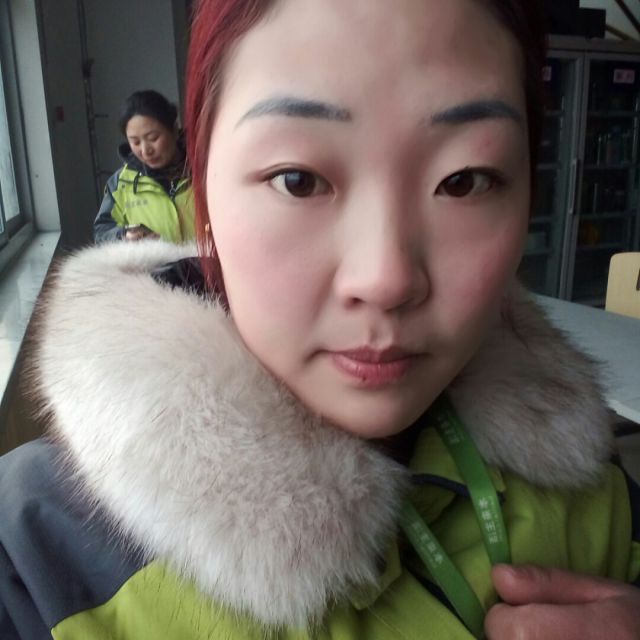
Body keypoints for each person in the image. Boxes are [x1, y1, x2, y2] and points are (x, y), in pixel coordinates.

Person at [1, 1, 640, 638]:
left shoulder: (585, 473)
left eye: (464, 181)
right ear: (206, 192)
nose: (386, 279)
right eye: (298, 180)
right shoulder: (33, 552)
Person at [93, 89, 195, 243]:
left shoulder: (205, 171)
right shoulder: (121, 183)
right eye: (135, 142)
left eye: (153, 138)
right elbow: (102, 233)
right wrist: (124, 236)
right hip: (155, 261)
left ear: (174, 130)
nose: (145, 150)